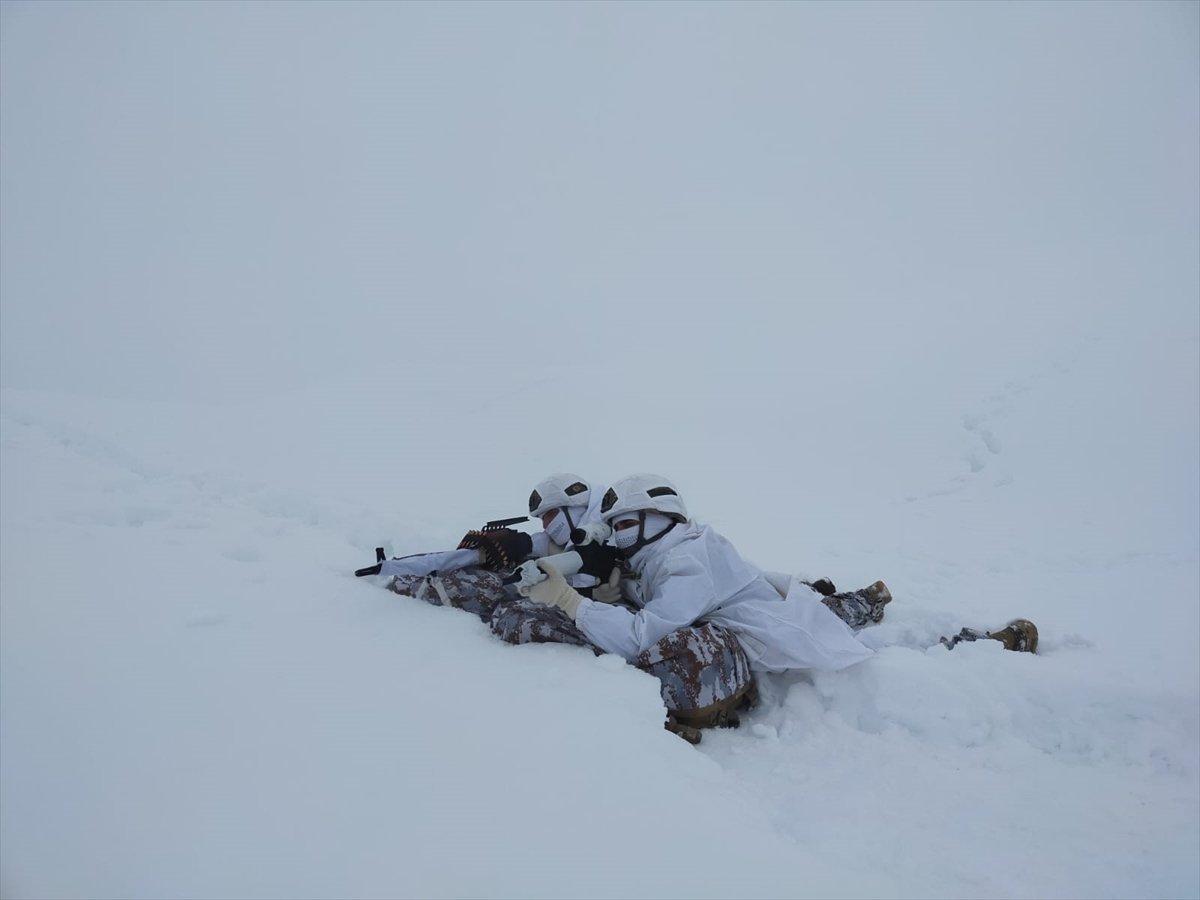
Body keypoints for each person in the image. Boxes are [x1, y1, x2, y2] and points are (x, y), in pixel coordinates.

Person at [520, 473, 1036, 743]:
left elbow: (644, 634)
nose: (621, 538)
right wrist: (617, 591)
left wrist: (571, 603)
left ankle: (985, 646)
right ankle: (865, 602)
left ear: (661, 518)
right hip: (774, 619)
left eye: (627, 524)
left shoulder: (686, 561)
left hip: (782, 631)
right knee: (839, 621)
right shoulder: (670, 551)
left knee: (889, 668)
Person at [379, 473, 607, 625]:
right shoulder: (563, 538)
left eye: (548, 515)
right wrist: (516, 544)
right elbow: (541, 545)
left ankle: (413, 588)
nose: (546, 525)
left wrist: (593, 593)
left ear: (574, 508)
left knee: (493, 591)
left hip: (595, 618)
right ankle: (401, 574)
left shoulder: (610, 536)